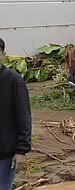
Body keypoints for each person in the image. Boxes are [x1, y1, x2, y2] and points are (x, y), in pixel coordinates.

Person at [0, 38, 32, 190]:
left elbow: (24, 116)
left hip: (3, 155)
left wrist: (21, 150)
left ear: (3, 55)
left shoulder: (14, 81)